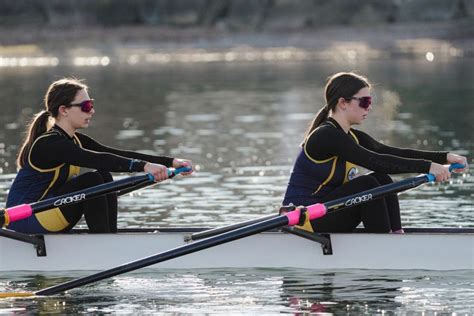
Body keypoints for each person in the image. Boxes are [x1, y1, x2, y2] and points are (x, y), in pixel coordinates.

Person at [282, 72, 467, 233]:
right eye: (364, 101)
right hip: (303, 220)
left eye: (370, 101)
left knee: (381, 179)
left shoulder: (351, 136)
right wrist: (428, 167)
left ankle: (395, 234)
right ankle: (383, 244)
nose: (369, 107)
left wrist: (444, 157)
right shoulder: (326, 136)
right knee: (367, 184)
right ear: (343, 103)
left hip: (327, 212)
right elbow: (374, 160)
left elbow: (390, 152)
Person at [6, 77, 193, 234]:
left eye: (91, 105)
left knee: (103, 176)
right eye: (86, 106)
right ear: (64, 110)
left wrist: (171, 162)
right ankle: (104, 244)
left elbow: (114, 155)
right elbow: (96, 159)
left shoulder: (74, 139)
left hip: (48, 213)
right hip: (25, 221)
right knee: (93, 180)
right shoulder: (49, 144)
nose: (92, 111)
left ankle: (108, 237)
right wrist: (144, 167)